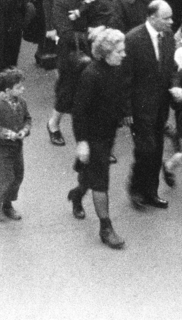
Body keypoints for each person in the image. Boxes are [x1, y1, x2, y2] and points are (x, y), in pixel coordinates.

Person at [70, 27, 130, 249]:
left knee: (92, 173)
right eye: (119, 51)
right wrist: (82, 142)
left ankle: (76, 195)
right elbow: (79, 111)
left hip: (108, 133)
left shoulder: (116, 69)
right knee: (101, 180)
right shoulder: (91, 74)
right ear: (105, 53)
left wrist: (125, 115)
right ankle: (106, 227)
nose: (124, 55)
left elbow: (118, 95)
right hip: (93, 136)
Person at [125, 0, 177, 210]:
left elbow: (171, 67)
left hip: (161, 104)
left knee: (157, 150)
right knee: (145, 150)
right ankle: (136, 189)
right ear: (152, 18)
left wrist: (174, 85)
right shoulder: (133, 39)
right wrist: (126, 110)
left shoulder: (168, 36)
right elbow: (125, 78)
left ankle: (151, 192)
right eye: (166, 18)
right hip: (140, 107)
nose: (171, 22)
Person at [0, 67, 32, 221]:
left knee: (18, 176)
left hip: (17, 147)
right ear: (7, 90)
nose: (23, 89)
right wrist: (7, 133)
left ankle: (8, 203)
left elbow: (27, 119)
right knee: (6, 179)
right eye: (19, 87)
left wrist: (25, 130)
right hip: (2, 149)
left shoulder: (22, 102)